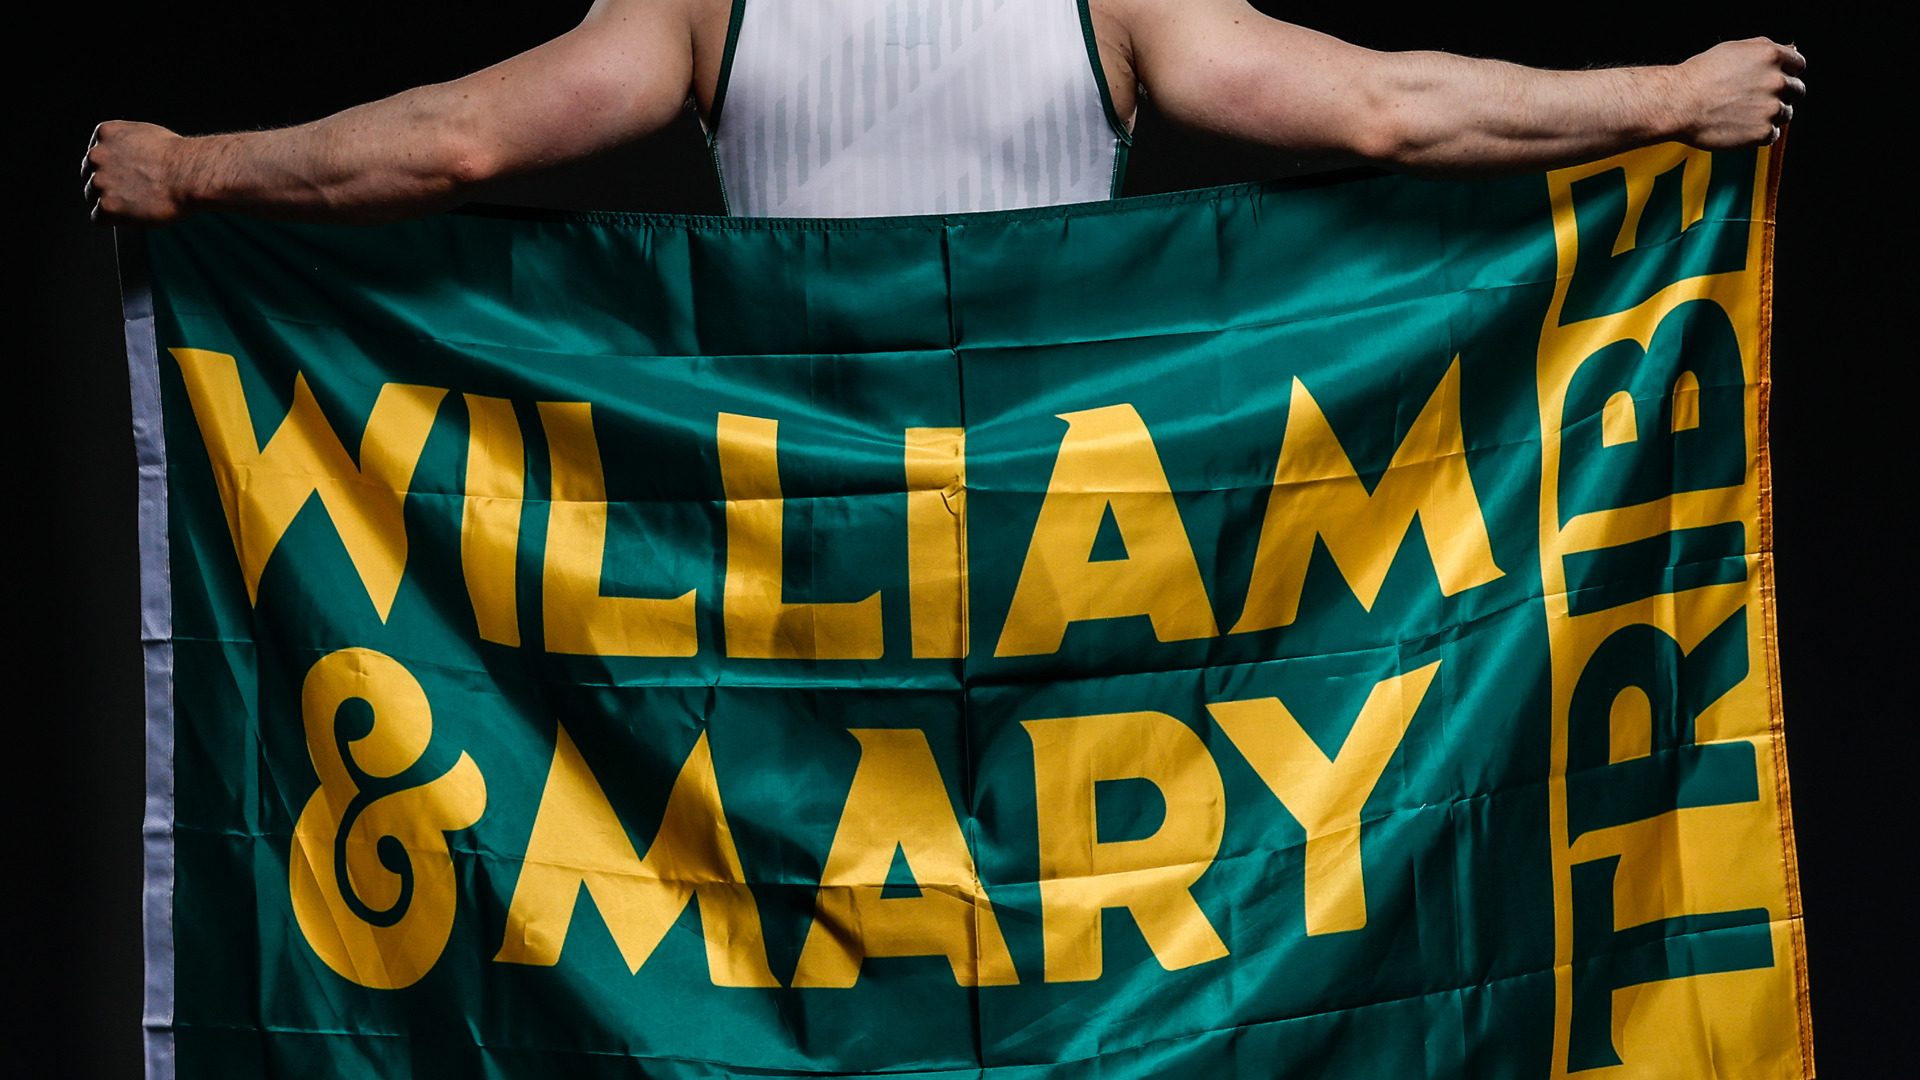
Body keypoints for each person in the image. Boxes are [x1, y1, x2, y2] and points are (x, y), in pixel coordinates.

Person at [83, 0, 1803, 225]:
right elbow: (1377, 111)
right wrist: (1662, 95)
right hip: (1061, 570)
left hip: (801, 560)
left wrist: (194, 167)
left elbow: (460, 134)